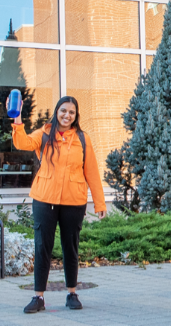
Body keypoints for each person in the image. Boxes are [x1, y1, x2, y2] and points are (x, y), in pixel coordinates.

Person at [12, 96, 108, 314]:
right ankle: (38, 297)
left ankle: (72, 293)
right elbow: (22, 143)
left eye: (71, 112)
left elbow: (91, 171)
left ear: (76, 116)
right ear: (57, 112)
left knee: (70, 248)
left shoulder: (83, 138)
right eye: (63, 111)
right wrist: (17, 119)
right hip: (44, 199)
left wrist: (99, 202)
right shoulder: (44, 134)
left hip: (74, 201)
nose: (67, 115)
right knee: (42, 247)